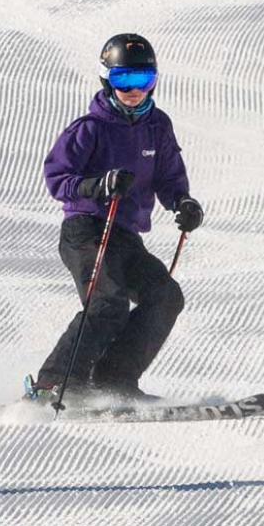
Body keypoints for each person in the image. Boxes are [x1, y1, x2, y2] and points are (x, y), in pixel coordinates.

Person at [30, 33, 204, 403]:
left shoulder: (157, 125)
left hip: (123, 235)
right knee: (107, 302)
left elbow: (168, 177)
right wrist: (99, 185)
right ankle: (52, 385)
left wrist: (183, 203)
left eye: (143, 81)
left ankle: (113, 381)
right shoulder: (89, 129)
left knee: (165, 296)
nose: (134, 90)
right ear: (107, 79)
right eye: (124, 80)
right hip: (86, 231)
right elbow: (57, 179)